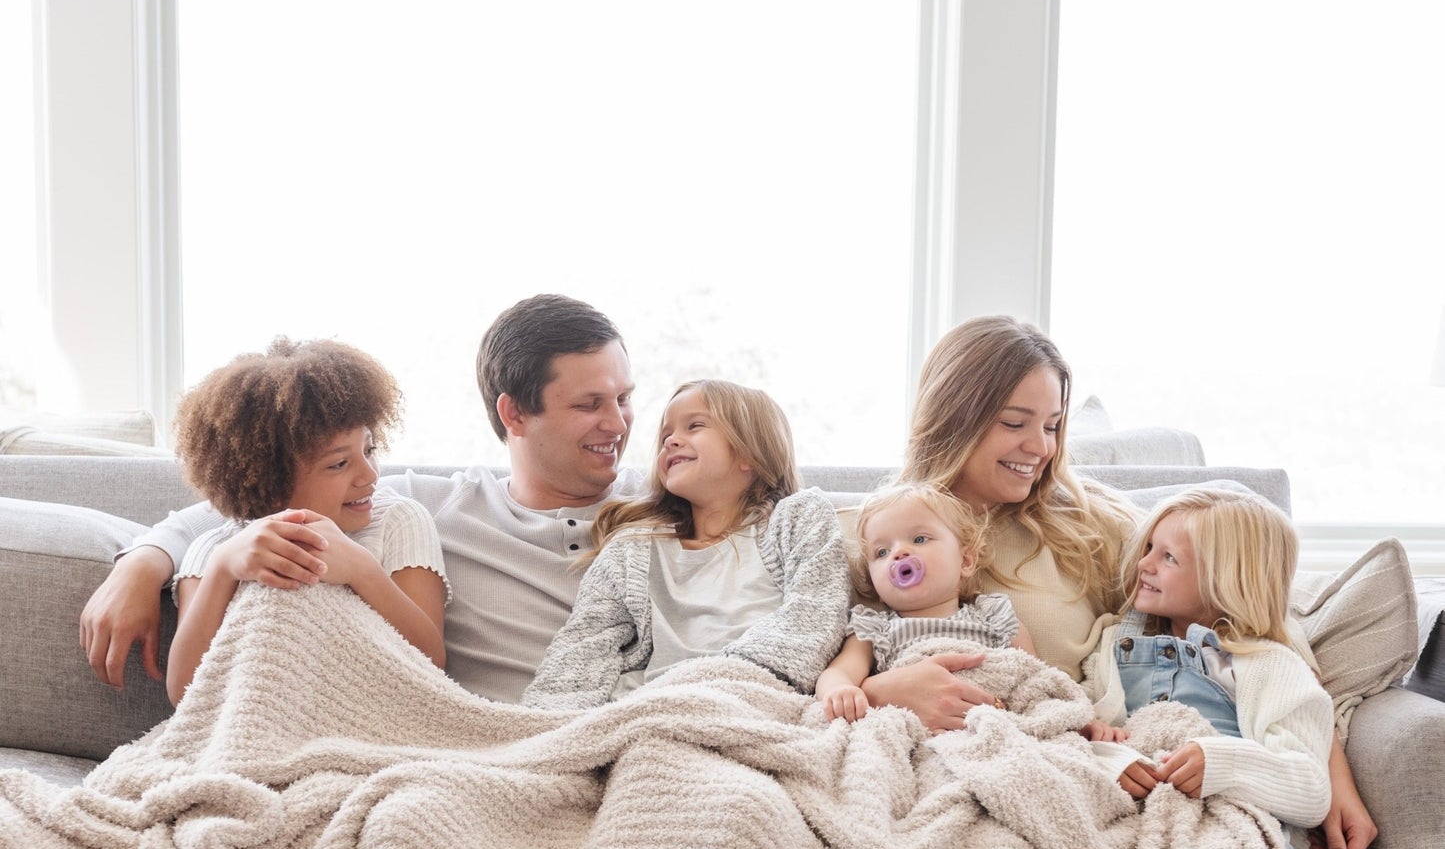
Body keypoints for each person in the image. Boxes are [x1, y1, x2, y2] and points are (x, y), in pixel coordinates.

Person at [872, 314, 1376, 849]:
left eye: (1053, 425)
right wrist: (882, 692)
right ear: (956, 416)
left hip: (1076, 760)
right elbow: (817, 671)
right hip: (947, 756)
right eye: (1016, 422)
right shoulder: (881, 534)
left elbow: (1256, 621)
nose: (1038, 447)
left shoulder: (1091, 525)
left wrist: (1333, 778)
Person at [79, 295, 645, 706]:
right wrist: (141, 562)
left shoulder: (666, 502)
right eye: (590, 403)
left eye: (624, 397)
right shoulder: (430, 503)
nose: (618, 423)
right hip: (476, 744)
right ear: (514, 413)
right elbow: (250, 511)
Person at [523, 380, 847, 709]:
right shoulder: (632, 549)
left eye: (694, 426)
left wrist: (729, 683)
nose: (672, 442)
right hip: (649, 707)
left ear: (749, 452)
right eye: (666, 437)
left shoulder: (798, 520)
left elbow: (816, 616)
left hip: (753, 698)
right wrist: (548, 723)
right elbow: (584, 645)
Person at [165, 338, 448, 704]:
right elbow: (185, 695)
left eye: (369, 449)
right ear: (270, 480)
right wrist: (221, 572)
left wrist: (362, 570)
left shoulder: (397, 522)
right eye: (339, 464)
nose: (370, 476)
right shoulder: (215, 551)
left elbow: (432, 666)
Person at [1078, 487, 1332, 849]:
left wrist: (1222, 764)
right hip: (1122, 821)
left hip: (1222, 831)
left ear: (1226, 578)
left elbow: (1311, 790)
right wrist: (1108, 753)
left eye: (1168, 558)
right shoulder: (1115, 645)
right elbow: (1082, 732)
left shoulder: (1270, 665)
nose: (1143, 564)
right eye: (1148, 547)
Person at [815, 482, 1032, 723]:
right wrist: (839, 691)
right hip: (914, 728)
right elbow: (839, 672)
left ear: (966, 561)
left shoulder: (995, 618)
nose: (898, 553)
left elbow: (1033, 677)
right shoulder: (874, 629)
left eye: (919, 539)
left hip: (991, 722)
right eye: (882, 552)